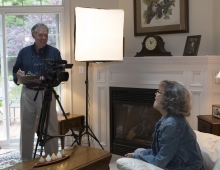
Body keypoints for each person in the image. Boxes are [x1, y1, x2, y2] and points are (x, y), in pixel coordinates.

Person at [125, 80, 206, 170]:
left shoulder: (172, 124)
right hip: (176, 162)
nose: (155, 94)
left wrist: (136, 157)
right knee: (138, 151)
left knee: (137, 155)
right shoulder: (166, 118)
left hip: (185, 168)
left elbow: (159, 161)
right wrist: (139, 154)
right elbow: (158, 152)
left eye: (159, 92)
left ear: (169, 99)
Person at [12, 23, 62, 161]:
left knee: (50, 128)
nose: (43, 37)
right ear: (33, 35)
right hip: (28, 93)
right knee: (26, 127)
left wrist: (49, 79)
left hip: (47, 93)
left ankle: (51, 159)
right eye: (40, 35)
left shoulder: (54, 52)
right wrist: (19, 76)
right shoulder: (24, 52)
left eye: (46, 34)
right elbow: (15, 73)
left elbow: (61, 73)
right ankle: (25, 160)